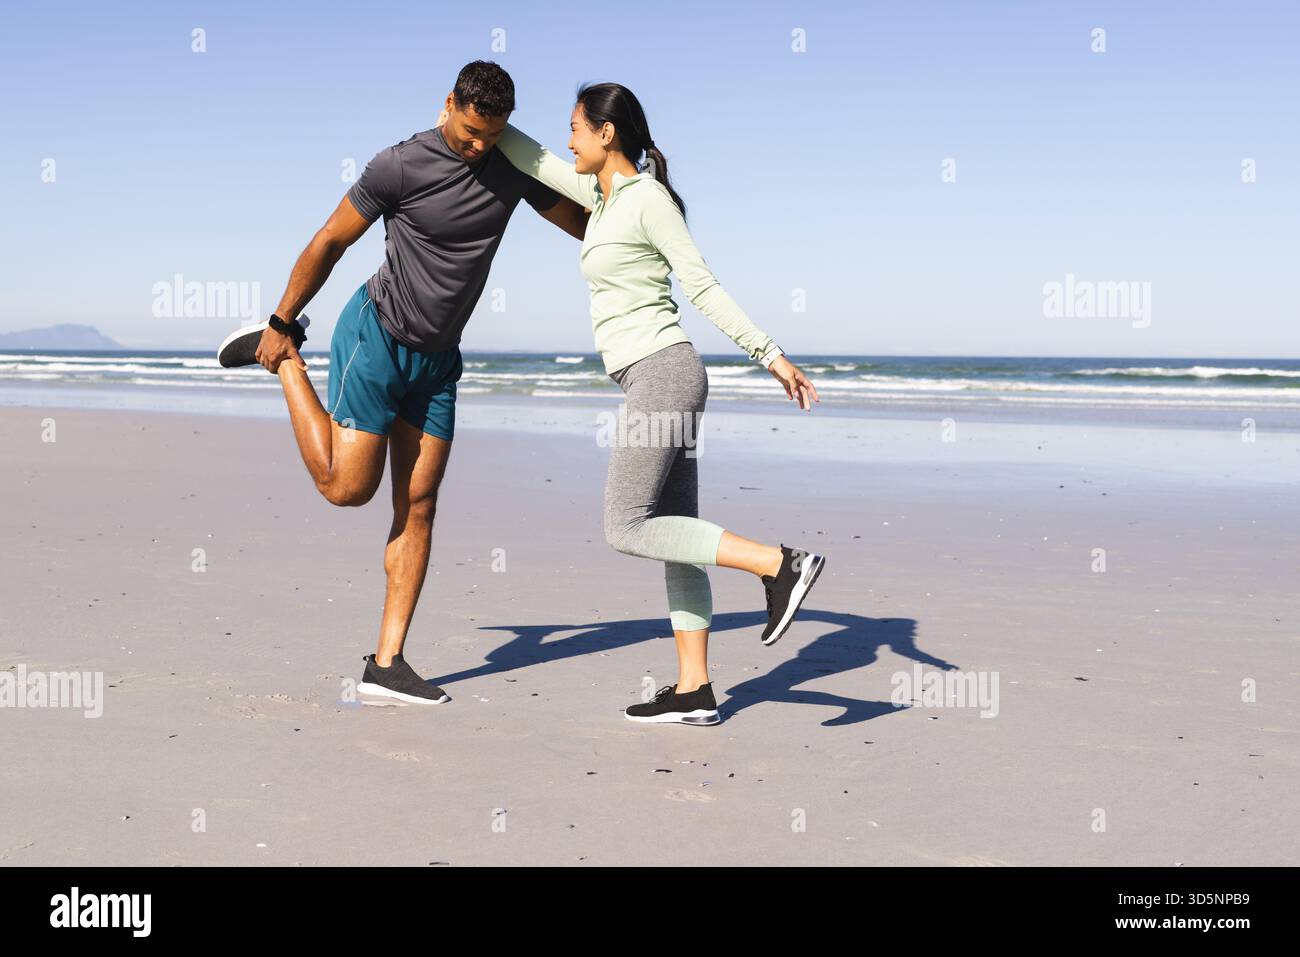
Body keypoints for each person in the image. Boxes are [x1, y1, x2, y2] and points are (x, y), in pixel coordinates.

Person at [216, 61, 589, 705]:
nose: (478, 147)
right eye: (471, 132)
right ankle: (282, 360)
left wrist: (635, 199)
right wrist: (282, 320)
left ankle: (386, 663)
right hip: (377, 337)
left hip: (440, 361)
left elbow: (584, 226)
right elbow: (330, 240)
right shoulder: (398, 165)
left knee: (418, 504)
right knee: (346, 489)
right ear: (449, 104)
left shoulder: (512, 164)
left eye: (491, 136)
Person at [487, 83, 827, 726]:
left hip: (663, 375)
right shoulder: (602, 195)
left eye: (577, 129)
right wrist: (467, 119)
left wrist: (770, 354)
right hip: (655, 377)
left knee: (626, 525)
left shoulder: (648, 201)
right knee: (677, 540)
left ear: (606, 133)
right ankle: (695, 689)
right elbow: (532, 158)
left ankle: (780, 564)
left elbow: (701, 283)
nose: (569, 141)